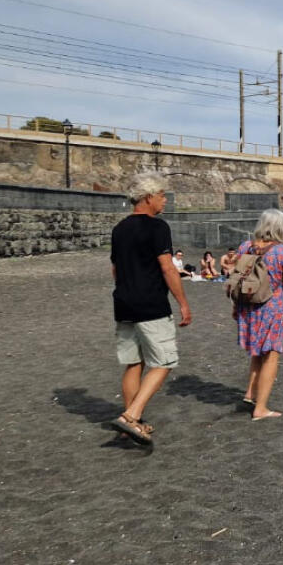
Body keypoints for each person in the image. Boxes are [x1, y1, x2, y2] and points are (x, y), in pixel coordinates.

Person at [108, 173, 191, 446]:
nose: (164, 200)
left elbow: (115, 270)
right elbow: (168, 267)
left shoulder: (119, 229)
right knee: (164, 362)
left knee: (134, 362)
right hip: (151, 304)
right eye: (161, 195)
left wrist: (127, 289)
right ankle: (131, 415)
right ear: (148, 197)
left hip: (124, 302)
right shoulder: (158, 227)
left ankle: (132, 423)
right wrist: (183, 303)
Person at [234, 209, 283, 420]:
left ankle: (250, 394)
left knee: (257, 352)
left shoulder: (245, 247)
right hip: (271, 308)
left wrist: (235, 306)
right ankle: (260, 408)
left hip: (247, 306)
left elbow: (238, 277)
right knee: (270, 355)